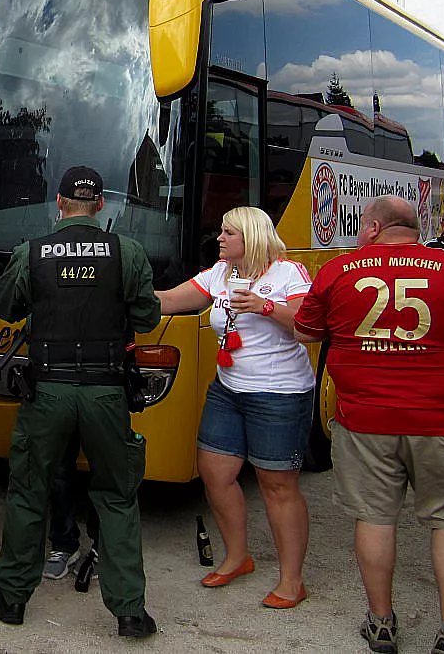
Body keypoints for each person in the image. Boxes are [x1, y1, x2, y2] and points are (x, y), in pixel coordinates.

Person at [0, 166, 160, 638]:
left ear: (59, 204)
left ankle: (14, 599)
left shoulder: (33, 252)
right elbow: (146, 316)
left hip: (47, 391)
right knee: (117, 496)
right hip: (106, 391)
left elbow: (4, 306)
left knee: (28, 490)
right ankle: (129, 612)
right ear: (100, 204)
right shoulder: (127, 252)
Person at [295, 196, 444, 654]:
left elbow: (306, 330)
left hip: (364, 419)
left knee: (375, 518)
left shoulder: (338, 270)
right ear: (414, 229)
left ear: (373, 228)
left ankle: (381, 623)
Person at [156, 206, 314, 608]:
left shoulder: (287, 273)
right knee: (215, 472)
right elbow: (171, 300)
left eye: (228, 234)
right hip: (229, 388)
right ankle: (237, 557)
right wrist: (118, 289)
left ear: (252, 237)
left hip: (279, 394)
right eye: (220, 232)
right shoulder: (221, 272)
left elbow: (307, 328)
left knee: (277, 485)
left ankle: (291, 581)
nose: (219, 240)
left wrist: (264, 306)